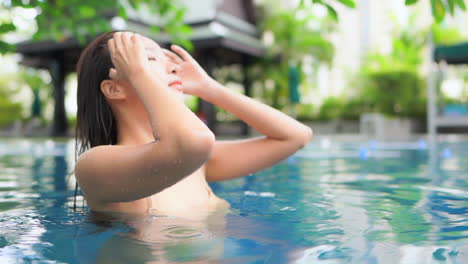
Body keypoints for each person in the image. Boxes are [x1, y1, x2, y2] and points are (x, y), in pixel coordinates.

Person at [74, 31, 312, 217]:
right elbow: (193, 143)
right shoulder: (94, 166)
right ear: (114, 88)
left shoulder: (197, 164)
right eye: (150, 58)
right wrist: (139, 74)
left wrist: (209, 88)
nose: (173, 67)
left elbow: (295, 136)